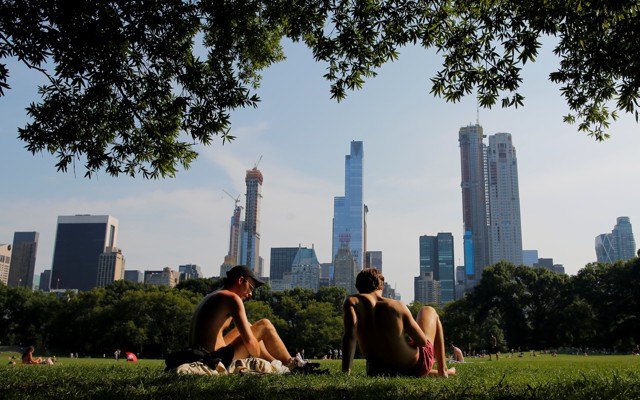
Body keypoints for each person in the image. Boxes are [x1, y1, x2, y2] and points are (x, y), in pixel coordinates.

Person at [342, 268, 456, 377]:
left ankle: (444, 372)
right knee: (428, 310)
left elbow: (350, 337)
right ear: (381, 284)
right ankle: (443, 371)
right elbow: (422, 342)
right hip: (415, 367)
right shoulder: (397, 305)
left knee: (397, 365)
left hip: (377, 369)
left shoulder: (352, 302)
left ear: (358, 286)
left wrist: (345, 372)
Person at [189, 265, 297, 370]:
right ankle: (291, 364)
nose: (250, 294)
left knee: (250, 328)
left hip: (199, 355)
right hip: (213, 359)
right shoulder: (232, 298)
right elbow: (250, 343)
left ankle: (283, 364)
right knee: (265, 325)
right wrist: (267, 360)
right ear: (240, 280)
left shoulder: (213, 295)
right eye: (250, 287)